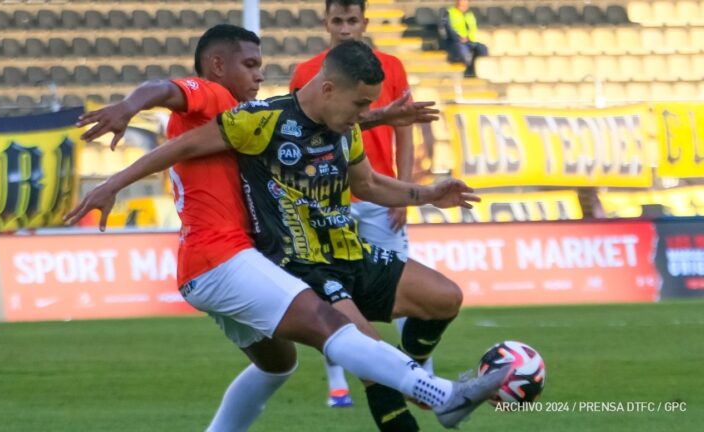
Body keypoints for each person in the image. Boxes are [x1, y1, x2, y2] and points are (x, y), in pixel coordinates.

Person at [71, 26, 509, 431]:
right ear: (218, 65)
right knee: (333, 327)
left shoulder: (262, 118)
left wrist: (382, 127)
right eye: (251, 65)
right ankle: (442, 394)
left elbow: (306, 127)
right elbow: (166, 91)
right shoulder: (212, 96)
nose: (261, 75)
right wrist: (126, 120)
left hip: (216, 262)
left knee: (278, 366)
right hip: (223, 257)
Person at [290, 0, 431, 410]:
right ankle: (339, 385)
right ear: (326, 23)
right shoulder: (307, 72)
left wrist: (406, 187)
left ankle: (421, 372)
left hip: (379, 191)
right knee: (332, 293)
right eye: (339, 20)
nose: (346, 28)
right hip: (325, 197)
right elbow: (297, 135)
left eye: (353, 20)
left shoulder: (390, 66)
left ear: (365, 23)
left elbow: (404, 129)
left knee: (403, 286)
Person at [441, 0, 488, 77]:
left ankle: (472, 69)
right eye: (462, 5)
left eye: (466, 5)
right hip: (455, 41)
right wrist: (458, 37)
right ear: (457, 5)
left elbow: (473, 28)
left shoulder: (469, 14)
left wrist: (469, 37)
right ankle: (465, 68)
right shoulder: (450, 13)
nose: (464, 7)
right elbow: (449, 29)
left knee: (482, 48)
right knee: (463, 50)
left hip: (469, 40)